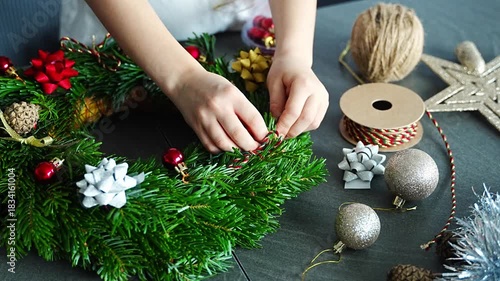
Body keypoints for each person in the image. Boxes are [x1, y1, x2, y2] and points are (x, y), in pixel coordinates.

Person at [64, 0, 329, 153]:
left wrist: (295, 52)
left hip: (243, 23)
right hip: (118, 36)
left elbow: (294, 51)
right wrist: (182, 78)